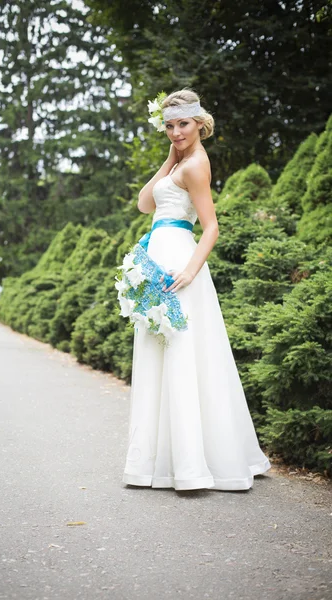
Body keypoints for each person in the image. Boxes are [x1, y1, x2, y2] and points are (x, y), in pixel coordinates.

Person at [122, 88, 271, 491]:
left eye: (183, 124)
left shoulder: (196, 166)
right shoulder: (180, 161)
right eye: (169, 126)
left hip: (179, 264)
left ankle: (192, 464)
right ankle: (163, 461)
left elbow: (212, 227)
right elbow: (143, 205)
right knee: (161, 351)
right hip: (159, 256)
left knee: (184, 353)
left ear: (200, 123)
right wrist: (171, 155)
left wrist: (190, 270)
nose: (175, 132)